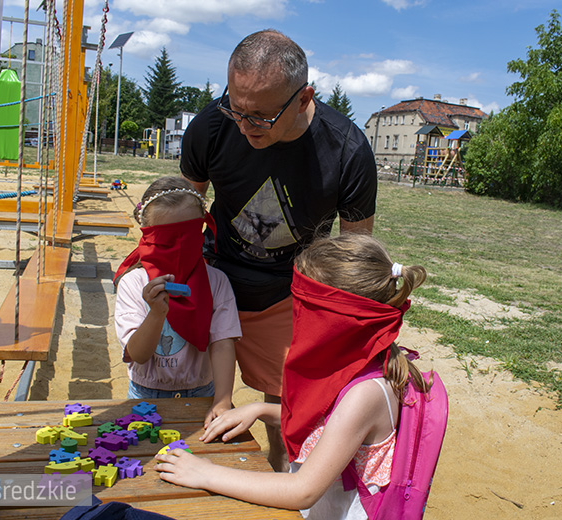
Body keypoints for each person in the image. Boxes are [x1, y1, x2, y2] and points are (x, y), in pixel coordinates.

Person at [180, 29, 378, 470]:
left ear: (304, 97)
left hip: (290, 289)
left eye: (262, 117)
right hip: (218, 272)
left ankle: (278, 468)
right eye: (237, 108)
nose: (245, 125)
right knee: (191, 390)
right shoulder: (213, 126)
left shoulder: (346, 150)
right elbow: (184, 212)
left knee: (285, 395)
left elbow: (355, 257)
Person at [155, 234, 432, 518]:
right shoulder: (359, 357)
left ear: (338, 320)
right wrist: (261, 409)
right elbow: (331, 424)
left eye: (303, 307)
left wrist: (205, 474)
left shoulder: (367, 393)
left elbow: (302, 490)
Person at [114, 177, 240, 426]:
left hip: (203, 393)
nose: (179, 248)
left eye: (189, 234)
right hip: (145, 394)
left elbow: (223, 344)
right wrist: (156, 313)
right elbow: (138, 354)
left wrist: (223, 399)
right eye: (168, 239)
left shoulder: (216, 282)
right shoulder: (133, 283)